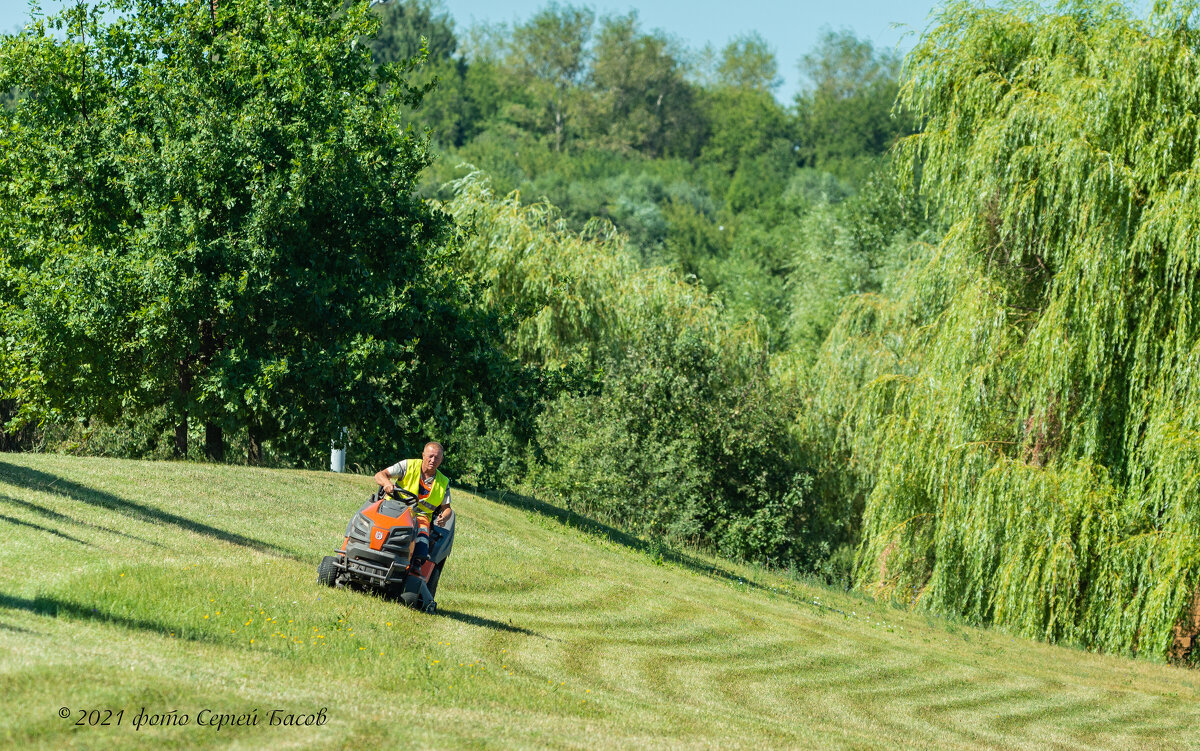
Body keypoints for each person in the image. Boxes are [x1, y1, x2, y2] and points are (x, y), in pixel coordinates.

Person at [372, 441, 452, 568]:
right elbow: (380, 475)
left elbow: (447, 509)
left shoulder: (443, 482)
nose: (433, 460)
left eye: (437, 457)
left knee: (422, 533)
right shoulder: (408, 465)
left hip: (420, 516)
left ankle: (416, 564)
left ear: (441, 460)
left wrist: (445, 517)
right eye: (430, 456)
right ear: (423, 455)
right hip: (394, 507)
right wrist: (387, 483)